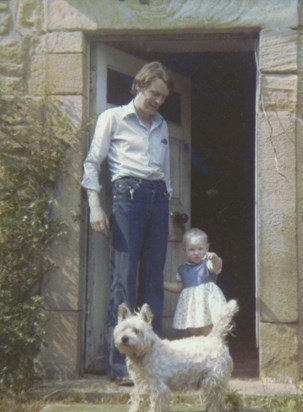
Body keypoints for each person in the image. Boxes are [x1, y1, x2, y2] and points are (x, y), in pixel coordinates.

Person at [81, 61, 174, 383]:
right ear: (138, 86)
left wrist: (168, 199)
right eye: (153, 93)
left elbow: (165, 170)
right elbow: (93, 163)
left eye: (163, 96)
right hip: (127, 197)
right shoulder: (113, 118)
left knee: (152, 282)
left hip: (157, 200)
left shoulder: (162, 125)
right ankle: (119, 368)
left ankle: (153, 365)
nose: (157, 101)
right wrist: (95, 206)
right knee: (123, 281)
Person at [164, 228, 227, 336]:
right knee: (194, 334)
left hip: (206, 306)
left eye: (200, 249)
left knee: (208, 333)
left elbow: (216, 267)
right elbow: (179, 287)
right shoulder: (182, 269)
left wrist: (214, 257)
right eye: (191, 250)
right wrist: (162, 284)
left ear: (207, 247)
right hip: (191, 308)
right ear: (184, 250)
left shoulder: (208, 264)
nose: (196, 253)